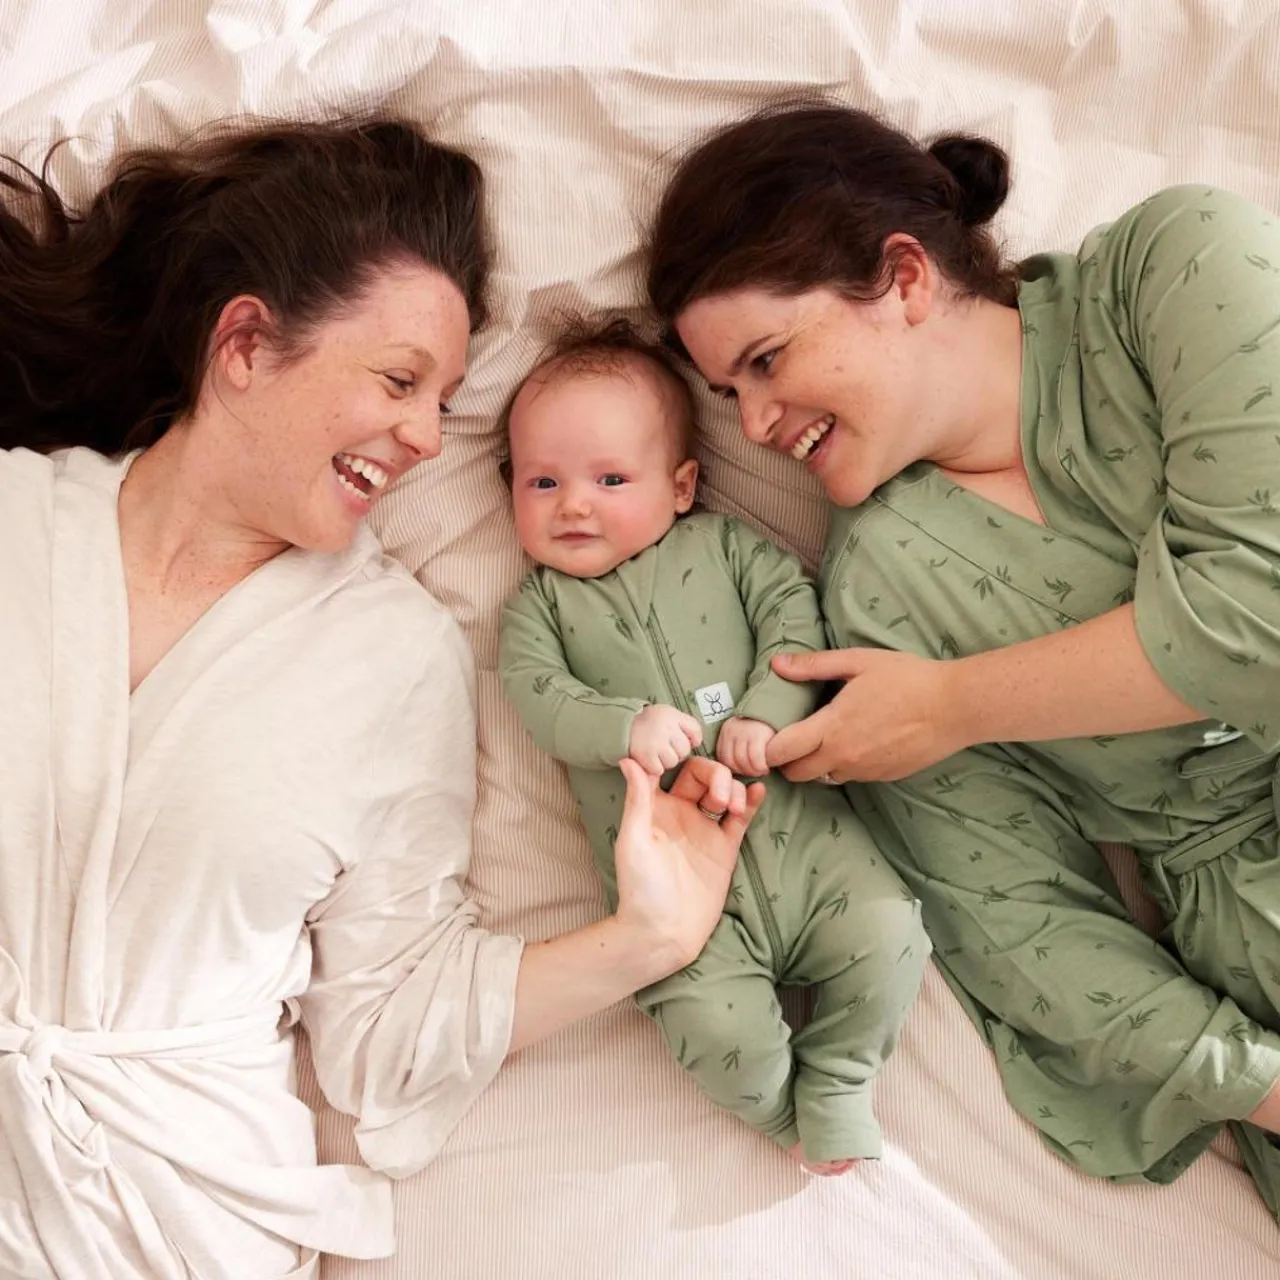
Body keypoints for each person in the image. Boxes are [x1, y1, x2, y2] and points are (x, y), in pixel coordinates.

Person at [0, 119, 764, 1279]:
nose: (423, 437)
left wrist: (647, 935)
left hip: (175, 1222)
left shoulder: (393, 653)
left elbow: (386, 1027)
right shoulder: (15, 522)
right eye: (399, 381)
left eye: (444, 401)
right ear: (245, 344)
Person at [645, 99, 1280, 1219]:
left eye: (766, 360)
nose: (752, 424)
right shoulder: (872, 602)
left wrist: (954, 703)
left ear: (902, 277)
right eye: (728, 394)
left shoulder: (1178, 266)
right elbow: (1021, 929)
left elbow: (1258, 616)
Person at [498, 318, 929, 1175]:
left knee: (892, 939)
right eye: (542, 481)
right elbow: (540, 699)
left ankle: (841, 1077)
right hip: (680, 902)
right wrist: (623, 725)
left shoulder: (729, 549)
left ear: (683, 485)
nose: (573, 504)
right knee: (711, 1029)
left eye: (609, 479)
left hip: (811, 846)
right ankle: (782, 1116)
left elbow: (793, 616)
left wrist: (767, 711)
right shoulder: (538, 610)